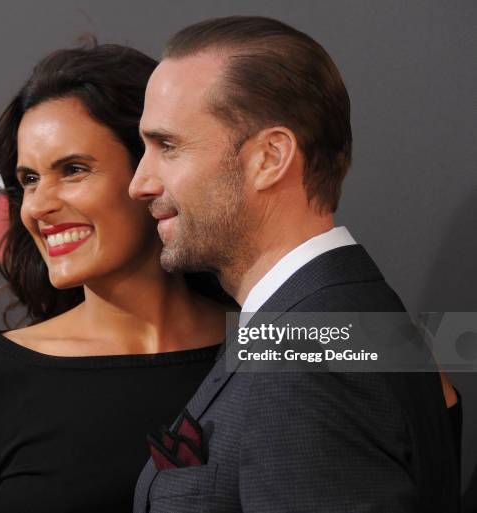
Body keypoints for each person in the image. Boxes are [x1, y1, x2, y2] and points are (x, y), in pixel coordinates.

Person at [129, 16, 461, 512]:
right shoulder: (341, 318)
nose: (140, 183)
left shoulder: (307, 355)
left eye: (168, 146)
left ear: (269, 157)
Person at [0, 40, 237, 513]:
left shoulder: (275, 340)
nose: (38, 206)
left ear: (151, 174)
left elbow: (380, 344)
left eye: (74, 169)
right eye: (29, 180)